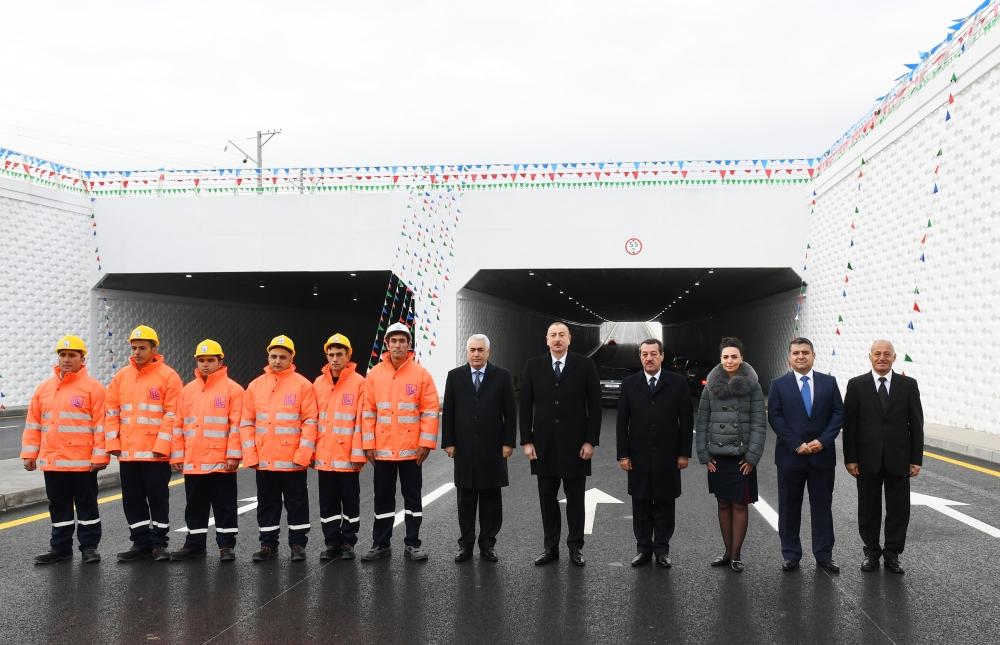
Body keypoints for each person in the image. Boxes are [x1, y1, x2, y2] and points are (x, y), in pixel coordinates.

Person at [21, 335, 108, 564]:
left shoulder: (94, 388)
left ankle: (89, 548)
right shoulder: (44, 389)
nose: (66, 359)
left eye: (71, 355)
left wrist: (100, 456)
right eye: (62, 355)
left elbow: (101, 426)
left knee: (86, 506)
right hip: (54, 462)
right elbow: (33, 424)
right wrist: (30, 454)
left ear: (82, 358)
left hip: (83, 463)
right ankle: (60, 548)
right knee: (58, 507)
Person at [520, 321, 601, 567]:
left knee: (575, 499)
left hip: (576, 445)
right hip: (543, 446)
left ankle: (575, 548)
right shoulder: (533, 366)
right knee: (547, 499)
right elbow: (524, 406)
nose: (557, 339)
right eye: (553, 335)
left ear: (569, 339)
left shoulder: (585, 365)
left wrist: (590, 441)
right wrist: (526, 440)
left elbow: (595, 406)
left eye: (561, 335)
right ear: (546, 340)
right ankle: (550, 548)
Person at [360, 322, 440, 562]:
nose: (397, 345)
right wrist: (368, 444)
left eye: (402, 341)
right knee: (382, 498)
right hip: (382, 450)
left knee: (412, 498)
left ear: (409, 345)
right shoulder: (374, 374)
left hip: (411, 451)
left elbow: (429, 410)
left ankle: (413, 543)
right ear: (386, 345)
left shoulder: (420, 374)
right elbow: (368, 411)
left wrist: (426, 443)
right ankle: (380, 543)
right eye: (393, 341)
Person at [843, 339, 923, 574]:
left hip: (899, 458)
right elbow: (850, 425)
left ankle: (892, 555)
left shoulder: (908, 385)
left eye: (887, 354)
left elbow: (916, 424)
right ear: (869, 356)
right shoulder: (856, 385)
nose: (882, 357)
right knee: (868, 508)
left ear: (894, 358)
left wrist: (916, 459)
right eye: (877, 353)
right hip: (866, 460)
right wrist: (851, 458)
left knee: (899, 509)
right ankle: (871, 552)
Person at [106, 325, 183, 562]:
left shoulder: (168, 376)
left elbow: (173, 415)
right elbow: (112, 413)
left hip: (155, 456)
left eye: (142, 348)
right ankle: (140, 543)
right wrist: (113, 444)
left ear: (154, 348)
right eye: (134, 347)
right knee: (132, 500)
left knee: (158, 500)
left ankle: (159, 543)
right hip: (128, 455)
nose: (137, 352)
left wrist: (162, 448)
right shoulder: (121, 377)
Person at [767, 337, 844, 574]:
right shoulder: (778, 385)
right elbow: (775, 417)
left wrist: (822, 441)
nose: (801, 356)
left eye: (805, 352)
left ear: (813, 355)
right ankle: (791, 554)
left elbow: (838, 413)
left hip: (822, 458)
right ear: (789, 358)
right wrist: (796, 444)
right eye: (796, 353)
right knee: (789, 507)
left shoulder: (829, 383)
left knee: (822, 506)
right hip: (791, 457)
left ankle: (824, 555)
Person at [616, 338, 693, 568]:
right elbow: (622, 423)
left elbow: (686, 421)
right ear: (640, 357)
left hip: (668, 455)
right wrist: (623, 454)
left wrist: (683, 454)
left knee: (664, 503)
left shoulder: (677, 383)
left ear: (661, 356)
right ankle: (643, 549)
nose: (648, 358)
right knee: (639, 503)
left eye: (653, 354)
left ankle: (662, 549)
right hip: (637, 455)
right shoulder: (629, 384)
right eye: (644, 354)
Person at [240, 335, 318, 562]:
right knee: (267, 504)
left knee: (297, 504)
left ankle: (297, 545)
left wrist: (303, 455)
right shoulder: (255, 386)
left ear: (291, 358)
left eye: (283, 357)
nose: (277, 361)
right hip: (265, 460)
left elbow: (310, 421)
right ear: (268, 356)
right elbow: (247, 423)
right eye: (273, 356)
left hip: (293, 461)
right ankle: (267, 545)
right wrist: (250, 455)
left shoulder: (303, 385)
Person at [441, 334, 516, 563]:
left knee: (491, 500)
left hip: (493, 449)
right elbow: (449, 412)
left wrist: (508, 443)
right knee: (465, 499)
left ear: (488, 352)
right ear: (467, 352)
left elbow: (510, 413)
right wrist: (449, 442)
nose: (476, 354)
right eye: (472, 350)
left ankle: (488, 544)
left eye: (480, 350)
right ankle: (466, 545)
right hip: (463, 449)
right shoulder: (454, 377)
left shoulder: (502, 377)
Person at [168, 340, 245, 562]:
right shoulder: (187, 391)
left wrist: (233, 456)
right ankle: (195, 545)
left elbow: (236, 426)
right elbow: (179, 425)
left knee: (225, 505)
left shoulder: (234, 390)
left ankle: (226, 546)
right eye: (201, 360)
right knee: (195, 505)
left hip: (221, 462)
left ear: (220, 361)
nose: (205, 365)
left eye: (210, 360)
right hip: (193, 461)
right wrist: (177, 454)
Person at [695, 336, 766, 573]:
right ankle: (726, 552)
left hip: (741, 457)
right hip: (717, 456)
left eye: (734, 356)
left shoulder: (753, 386)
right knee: (723, 503)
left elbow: (758, 424)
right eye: (725, 356)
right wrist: (703, 454)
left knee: (739, 504)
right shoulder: (711, 385)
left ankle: (736, 555)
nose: (729, 360)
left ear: (742, 358)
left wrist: (752, 457)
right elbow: (702, 419)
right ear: (720, 359)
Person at [312, 333, 367, 561]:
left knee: (350, 501)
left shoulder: (359, 383)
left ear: (348, 356)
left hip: (347, 457)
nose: (334, 359)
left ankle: (348, 542)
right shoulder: (318, 383)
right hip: (324, 457)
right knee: (327, 503)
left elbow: (361, 421)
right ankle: (331, 541)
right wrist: (311, 453)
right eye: (331, 354)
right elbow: (312, 420)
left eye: (339, 354)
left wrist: (357, 455)